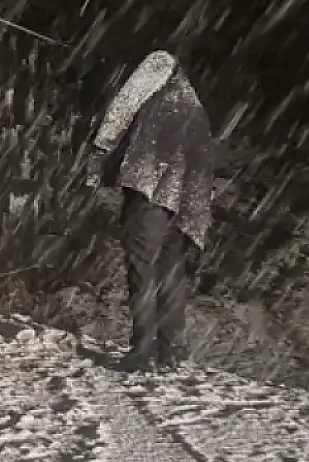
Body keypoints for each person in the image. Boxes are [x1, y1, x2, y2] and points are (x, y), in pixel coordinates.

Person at [85, 49, 214, 372]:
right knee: (170, 273)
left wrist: (99, 152)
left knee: (141, 268)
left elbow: (123, 105)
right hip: (185, 203)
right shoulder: (193, 107)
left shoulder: (158, 64)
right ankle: (170, 350)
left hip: (151, 189)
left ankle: (142, 351)